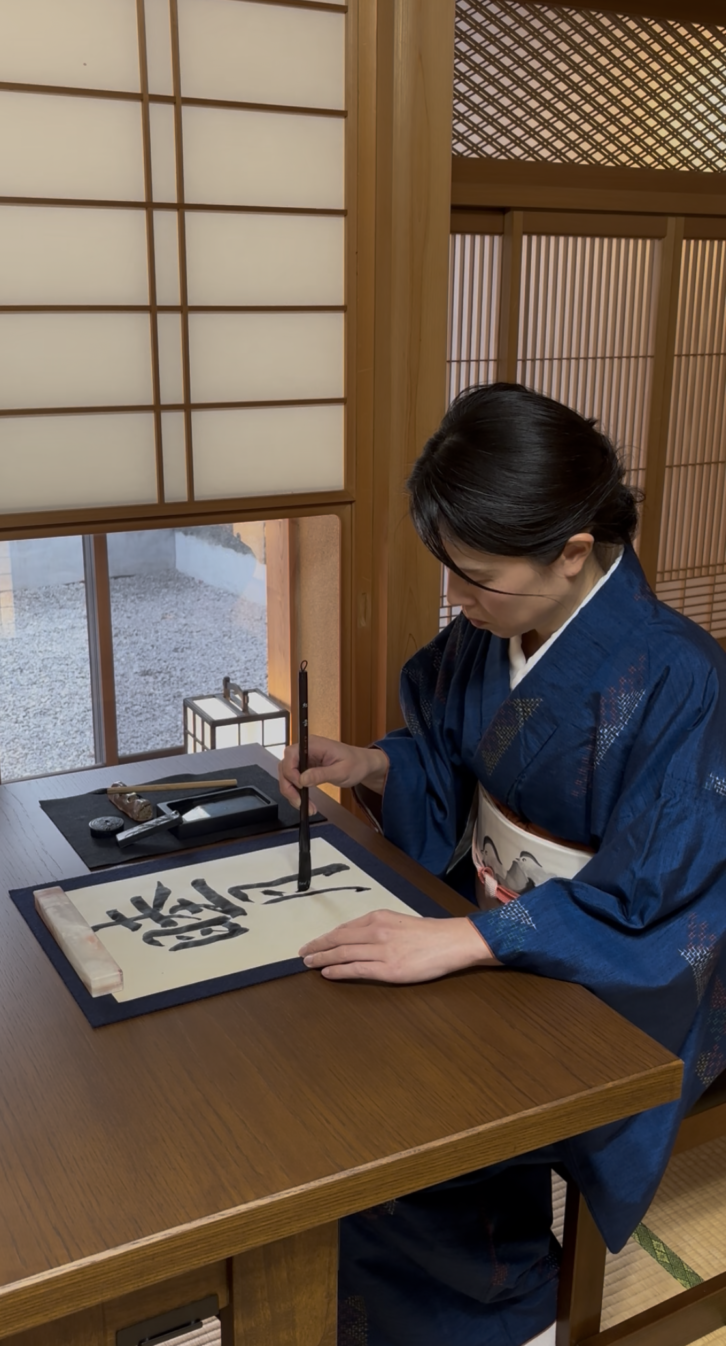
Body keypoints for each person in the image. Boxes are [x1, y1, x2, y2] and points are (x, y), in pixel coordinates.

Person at [278, 383, 726, 1346]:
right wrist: (374, 763)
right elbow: (449, 753)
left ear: (573, 554)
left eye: (477, 578)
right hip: (495, 928)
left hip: (621, 968)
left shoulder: (684, 681)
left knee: (421, 1128)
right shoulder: (497, 628)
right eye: (452, 573)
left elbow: (656, 900)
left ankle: (501, 1318)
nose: (459, 599)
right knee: (347, 1064)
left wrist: (472, 937)